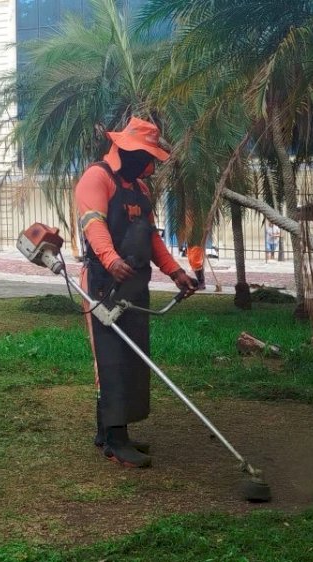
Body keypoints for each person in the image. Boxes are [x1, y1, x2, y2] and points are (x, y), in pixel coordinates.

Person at [75, 116, 197, 468]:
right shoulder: (97, 178)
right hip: (102, 282)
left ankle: (109, 432)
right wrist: (111, 259)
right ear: (127, 150)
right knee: (112, 358)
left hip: (134, 285)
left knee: (133, 357)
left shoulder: (141, 190)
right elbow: (93, 223)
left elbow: (151, 236)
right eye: (148, 157)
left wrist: (175, 272)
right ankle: (115, 440)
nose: (151, 165)